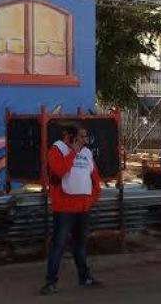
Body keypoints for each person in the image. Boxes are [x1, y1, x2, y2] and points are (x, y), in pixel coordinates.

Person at [40, 124, 103, 295]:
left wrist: (91, 199)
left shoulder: (87, 153)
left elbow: (95, 179)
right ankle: (51, 282)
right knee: (58, 245)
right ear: (71, 137)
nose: (85, 140)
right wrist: (73, 152)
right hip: (64, 208)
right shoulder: (56, 150)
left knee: (80, 245)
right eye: (81, 137)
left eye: (86, 137)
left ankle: (84, 277)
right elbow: (60, 170)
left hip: (82, 207)